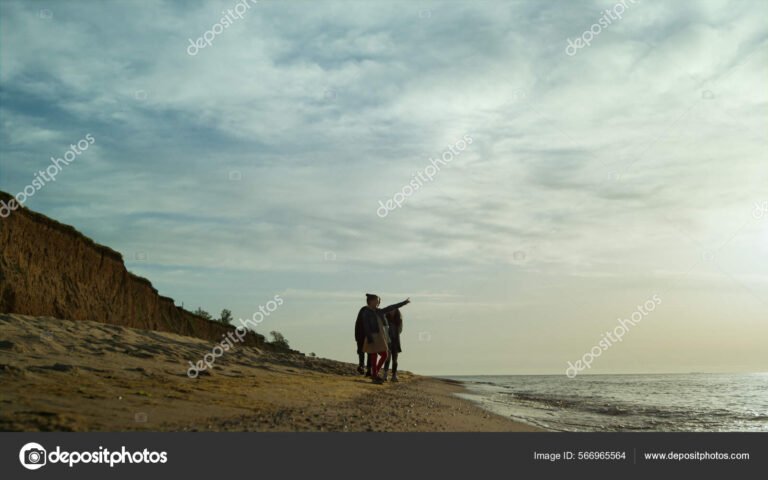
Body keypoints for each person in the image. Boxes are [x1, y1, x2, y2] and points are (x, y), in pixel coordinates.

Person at [361, 293, 410, 384]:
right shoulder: (366, 312)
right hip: (372, 336)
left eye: (378, 301)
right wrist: (369, 338)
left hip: (380, 337)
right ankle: (375, 375)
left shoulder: (379, 311)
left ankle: (375, 374)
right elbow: (366, 326)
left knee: (385, 354)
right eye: (377, 300)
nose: (378, 302)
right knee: (374, 356)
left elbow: (391, 307)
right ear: (371, 301)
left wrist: (403, 303)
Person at [382, 308, 403, 382]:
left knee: (395, 359)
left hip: (396, 341)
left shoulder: (399, 320)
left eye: (394, 310)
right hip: (388, 341)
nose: (392, 311)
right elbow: (383, 329)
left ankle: (394, 375)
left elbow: (400, 330)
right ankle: (385, 375)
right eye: (391, 310)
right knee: (387, 358)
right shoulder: (385, 319)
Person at [354, 306, 372, 376]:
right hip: (363, 335)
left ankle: (364, 367)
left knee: (366, 352)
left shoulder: (364, 310)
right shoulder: (365, 310)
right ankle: (364, 367)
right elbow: (357, 324)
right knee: (364, 352)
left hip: (364, 336)